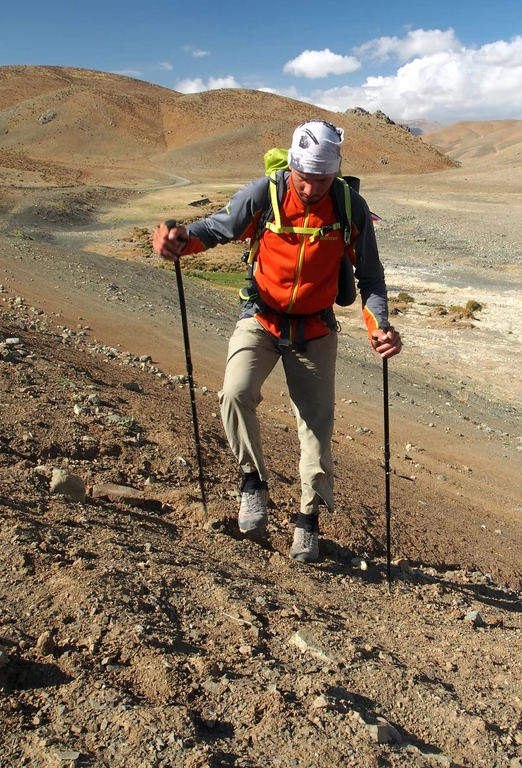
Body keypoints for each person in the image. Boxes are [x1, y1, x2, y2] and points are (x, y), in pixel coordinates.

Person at [153, 120, 402, 563]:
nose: (310, 189)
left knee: (316, 427)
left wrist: (379, 327)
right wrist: (180, 240)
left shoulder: (350, 206)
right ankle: (252, 483)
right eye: (304, 179)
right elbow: (217, 229)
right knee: (235, 392)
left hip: (316, 328)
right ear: (291, 166)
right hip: (262, 319)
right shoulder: (263, 193)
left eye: (321, 180)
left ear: (335, 172)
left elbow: (371, 276)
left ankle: (308, 519)